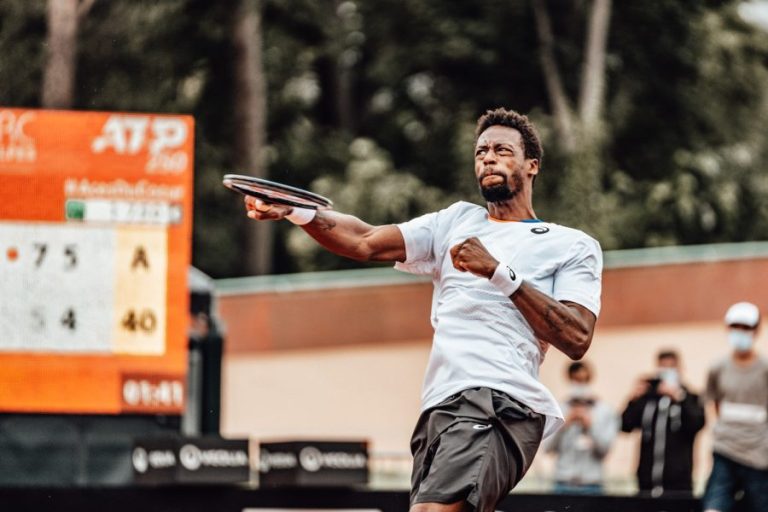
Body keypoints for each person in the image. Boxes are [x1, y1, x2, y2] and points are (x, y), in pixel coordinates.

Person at [243, 107, 603, 512]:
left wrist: (500, 273)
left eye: (503, 150)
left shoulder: (570, 244)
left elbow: (576, 337)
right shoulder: (455, 221)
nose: (488, 157)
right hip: (439, 408)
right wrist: (296, 211)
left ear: (531, 165)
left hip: (499, 402)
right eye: (481, 151)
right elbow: (364, 239)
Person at [702, 302, 768, 512]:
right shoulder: (717, 368)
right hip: (724, 451)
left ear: (756, 330)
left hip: (759, 455)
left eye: (746, 328)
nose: (740, 333)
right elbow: (716, 403)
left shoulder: (765, 369)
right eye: (736, 327)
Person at [620, 350, 705, 497]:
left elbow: (697, 423)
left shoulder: (691, 397)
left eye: (671, 367)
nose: (666, 372)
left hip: (679, 485)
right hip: (646, 483)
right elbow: (625, 425)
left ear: (679, 370)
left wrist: (679, 397)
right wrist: (633, 400)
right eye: (662, 367)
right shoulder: (648, 399)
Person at [545, 361, 618, 495]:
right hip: (563, 483)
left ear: (590, 379)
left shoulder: (604, 410)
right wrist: (564, 424)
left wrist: (590, 425)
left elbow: (605, 450)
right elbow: (547, 447)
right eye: (576, 379)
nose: (579, 384)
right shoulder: (558, 409)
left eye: (583, 380)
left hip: (592, 484)